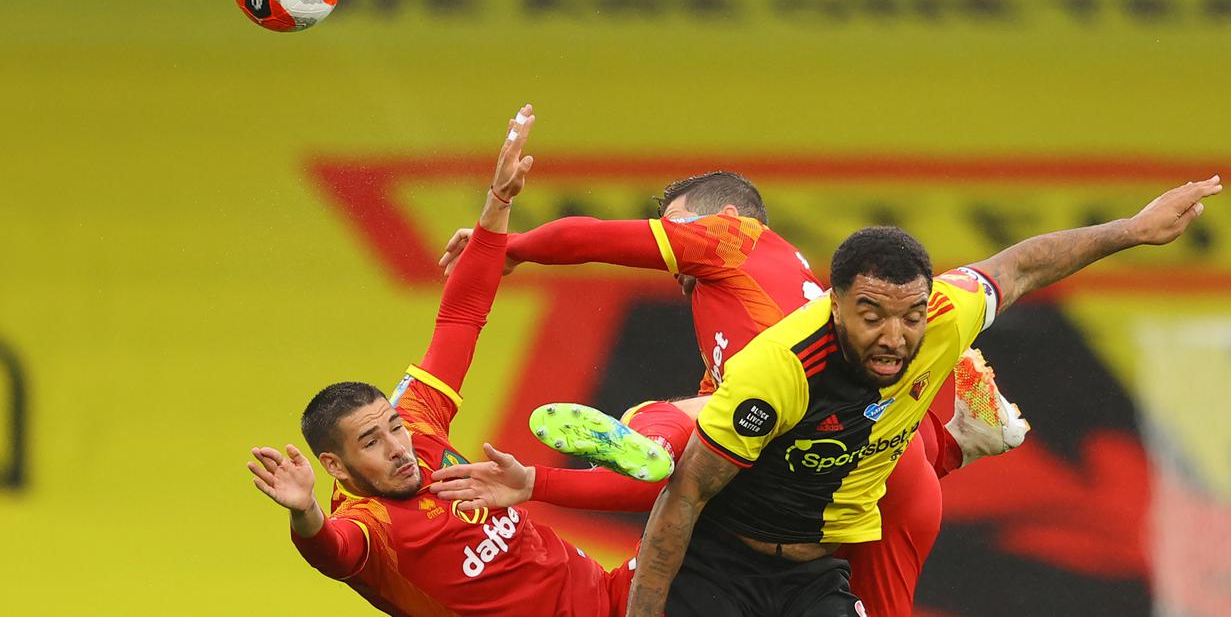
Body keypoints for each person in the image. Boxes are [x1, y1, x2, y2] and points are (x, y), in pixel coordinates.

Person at [622, 175, 1221, 616]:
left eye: (910, 316)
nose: (895, 337)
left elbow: (1021, 267)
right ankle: (641, 431)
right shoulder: (777, 370)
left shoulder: (941, 317)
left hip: (811, 577)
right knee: (682, 438)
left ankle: (951, 442)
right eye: (872, 316)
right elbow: (686, 495)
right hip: (724, 566)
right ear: (833, 306)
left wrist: (1131, 231)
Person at [435, 171, 1028, 616]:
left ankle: (647, 435)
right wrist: (541, 484)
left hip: (875, 478)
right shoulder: (777, 307)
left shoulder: (731, 237)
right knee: (746, 443)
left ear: (720, 214)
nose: (669, 247)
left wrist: (510, 247)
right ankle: (962, 443)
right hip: (887, 481)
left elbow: (593, 238)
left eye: (675, 221)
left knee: (674, 425)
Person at [246, 105, 670, 616]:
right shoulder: (368, 526)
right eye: (371, 442)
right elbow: (332, 552)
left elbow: (462, 316)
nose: (398, 447)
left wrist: (498, 203)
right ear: (335, 465)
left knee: (726, 510)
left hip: (612, 595)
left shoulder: (419, 426)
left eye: (393, 427)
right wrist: (305, 513)